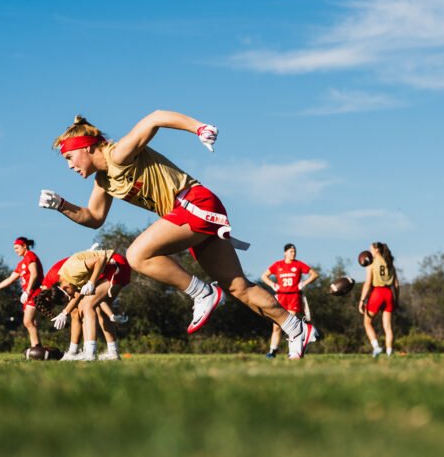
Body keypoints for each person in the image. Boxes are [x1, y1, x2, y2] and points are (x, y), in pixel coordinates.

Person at [38, 111, 319, 359]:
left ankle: (202, 293)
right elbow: (94, 218)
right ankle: (296, 328)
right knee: (239, 288)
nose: (69, 165)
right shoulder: (104, 180)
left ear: (85, 147)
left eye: (69, 157)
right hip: (189, 213)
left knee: (137, 254)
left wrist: (199, 128)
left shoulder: (118, 154)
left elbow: (155, 118)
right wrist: (62, 206)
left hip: (195, 203)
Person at [47, 248, 132, 361]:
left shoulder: (72, 270)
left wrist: (91, 282)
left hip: (116, 265)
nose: (71, 298)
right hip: (111, 268)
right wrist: (64, 313)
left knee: (88, 305)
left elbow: (100, 259)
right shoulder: (68, 281)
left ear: (65, 288)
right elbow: (76, 296)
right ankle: (113, 352)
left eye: (69, 297)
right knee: (99, 309)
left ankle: (90, 353)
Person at [0, 237, 45, 349]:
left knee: (27, 321)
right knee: (31, 322)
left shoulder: (30, 256)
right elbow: (10, 279)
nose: (15, 251)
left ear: (24, 246)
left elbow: (34, 274)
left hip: (35, 292)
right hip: (28, 294)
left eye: (17, 248)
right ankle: (35, 349)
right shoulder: (21, 264)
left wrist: (27, 290)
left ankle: (37, 347)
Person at [260, 243, 319, 358]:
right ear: (285, 253)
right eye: (291, 251)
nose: (293, 253)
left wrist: (304, 283)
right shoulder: (278, 265)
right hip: (281, 297)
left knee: (291, 326)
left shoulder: (298, 264)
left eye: (294, 251)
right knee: (276, 326)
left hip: (294, 297)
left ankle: (293, 352)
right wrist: (273, 284)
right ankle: (272, 351)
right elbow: (264, 276)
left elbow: (314, 274)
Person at [358, 242, 399, 358]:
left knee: (367, 322)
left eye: (371, 249)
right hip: (389, 294)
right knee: (388, 327)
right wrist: (397, 299)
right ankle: (389, 353)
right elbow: (396, 284)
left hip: (378, 293)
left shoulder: (371, 263)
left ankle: (376, 347)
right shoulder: (390, 263)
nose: (369, 251)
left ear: (376, 250)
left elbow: (367, 283)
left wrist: (362, 300)